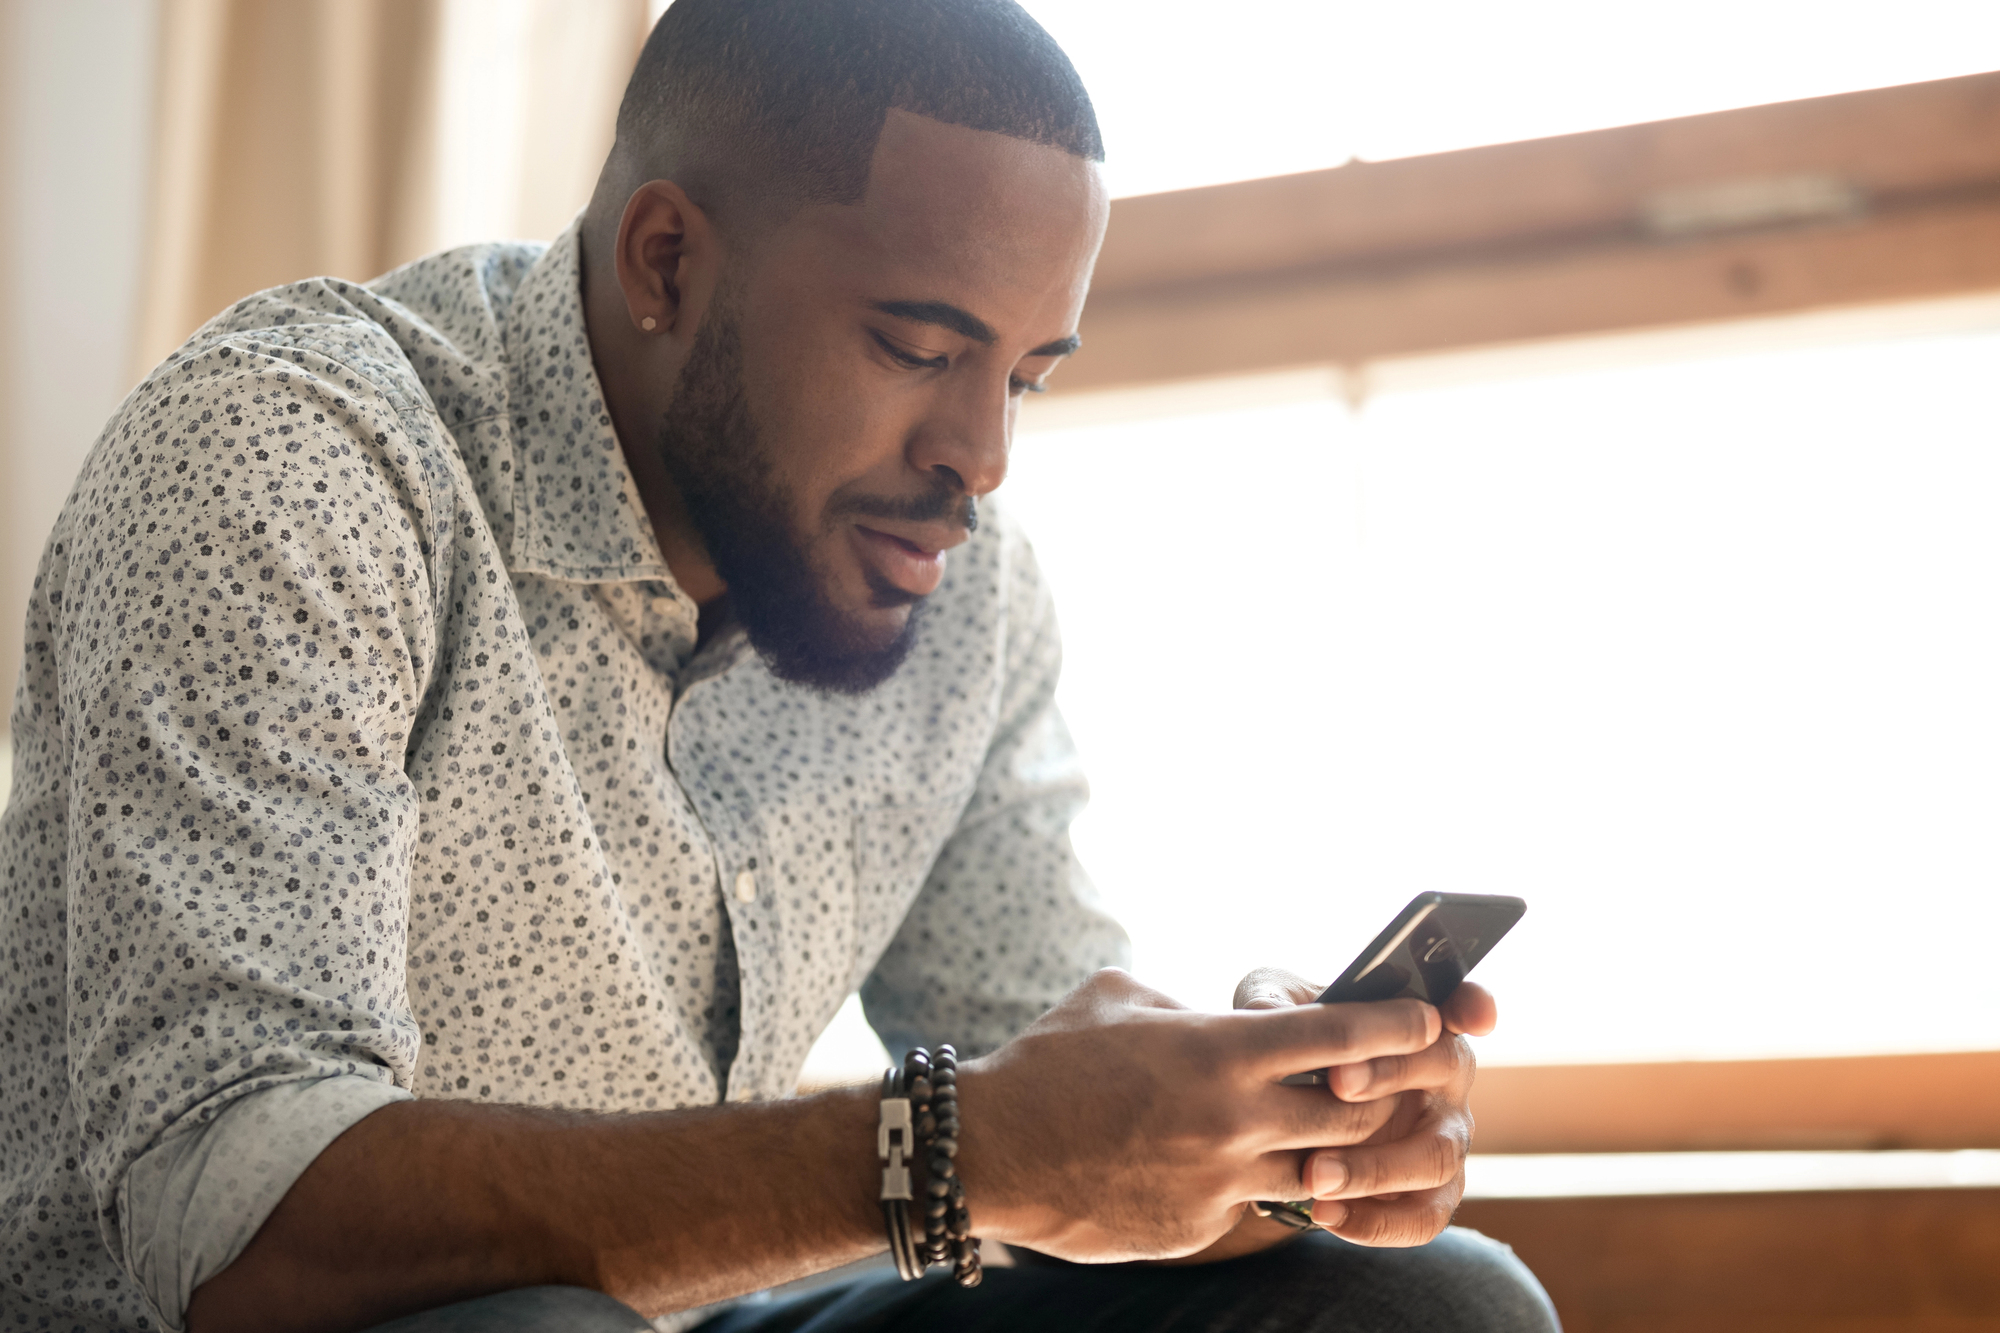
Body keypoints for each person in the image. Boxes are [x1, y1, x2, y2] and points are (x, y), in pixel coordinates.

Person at [0, 2, 1559, 1330]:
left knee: (1436, 1304)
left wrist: (1253, 1136)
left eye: (1026, 373)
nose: (982, 459)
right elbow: (241, 1230)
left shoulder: (959, 590)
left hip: (698, 1312)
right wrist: (949, 1153)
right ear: (667, 261)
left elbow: (1051, 1132)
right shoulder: (294, 461)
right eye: (922, 348)